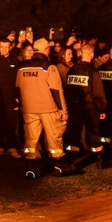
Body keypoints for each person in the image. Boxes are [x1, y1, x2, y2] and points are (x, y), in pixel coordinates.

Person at [16, 39, 72, 176]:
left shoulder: (22, 67)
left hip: (29, 109)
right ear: (44, 50)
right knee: (54, 138)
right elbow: (56, 91)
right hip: (48, 108)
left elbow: (17, 89)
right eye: (48, 49)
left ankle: (30, 169)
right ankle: (59, 166)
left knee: (30, 140)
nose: (49, 51)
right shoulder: (49, 66)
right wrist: (63, 110)